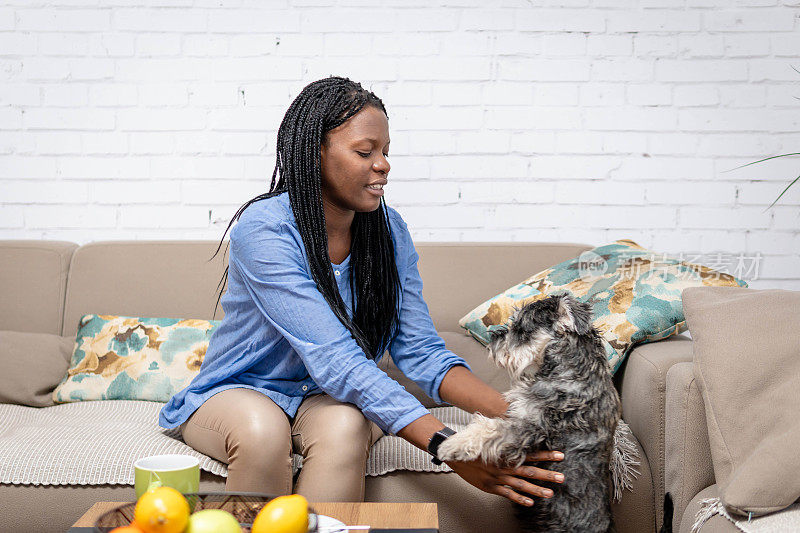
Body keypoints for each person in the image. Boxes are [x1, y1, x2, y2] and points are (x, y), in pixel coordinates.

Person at [158, 76, 566, 506]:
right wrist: (450, 446)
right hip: (243, 391)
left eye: (386, 151)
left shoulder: (390, 232)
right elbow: (335, 357)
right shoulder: (265, 230)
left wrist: (522, 413)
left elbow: (420, 351)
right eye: (365, 151)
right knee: (263, 432)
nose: (384, 164)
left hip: (327, 399)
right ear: (316, 152)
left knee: (347, 427)